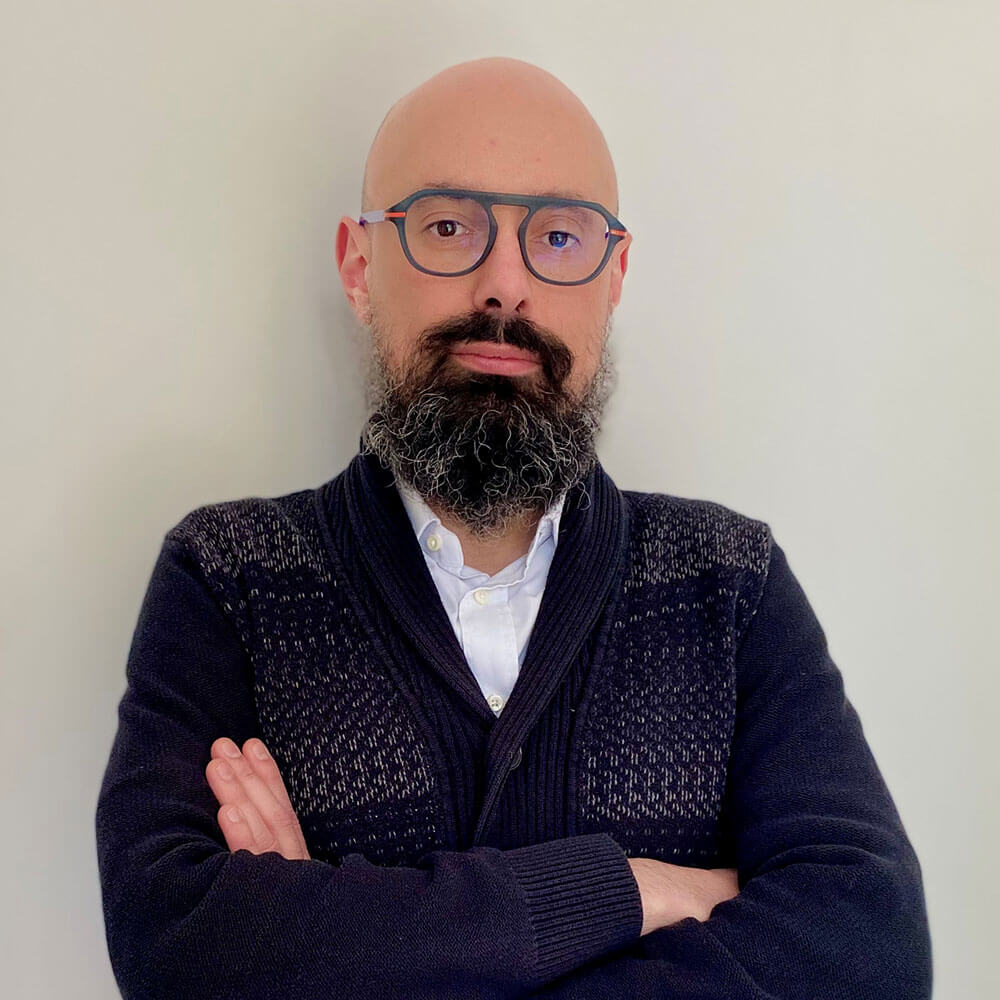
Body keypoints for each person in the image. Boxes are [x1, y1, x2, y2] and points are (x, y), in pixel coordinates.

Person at [96, 58, 931, 999]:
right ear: (359, 267)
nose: (504, 286)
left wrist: (334, 942)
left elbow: (871, 952)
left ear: (614, 278)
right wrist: (625, 891)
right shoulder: (229, 579)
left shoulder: (730, 583)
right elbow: (179, 952)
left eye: (559, 237)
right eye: (448, 227)